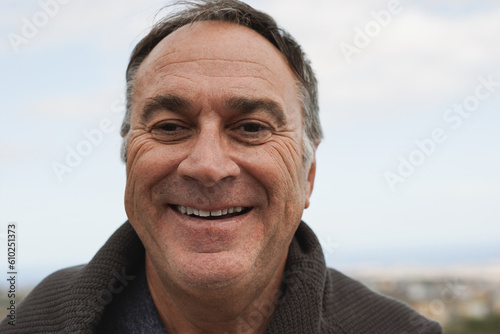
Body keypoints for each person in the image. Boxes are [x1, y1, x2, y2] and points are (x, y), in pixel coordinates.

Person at [1, 1, 443, 333]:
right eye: (171, 127)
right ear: (129, 162)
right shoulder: (36, 319)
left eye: (251, 128)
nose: (207, 166)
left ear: (308, 175)